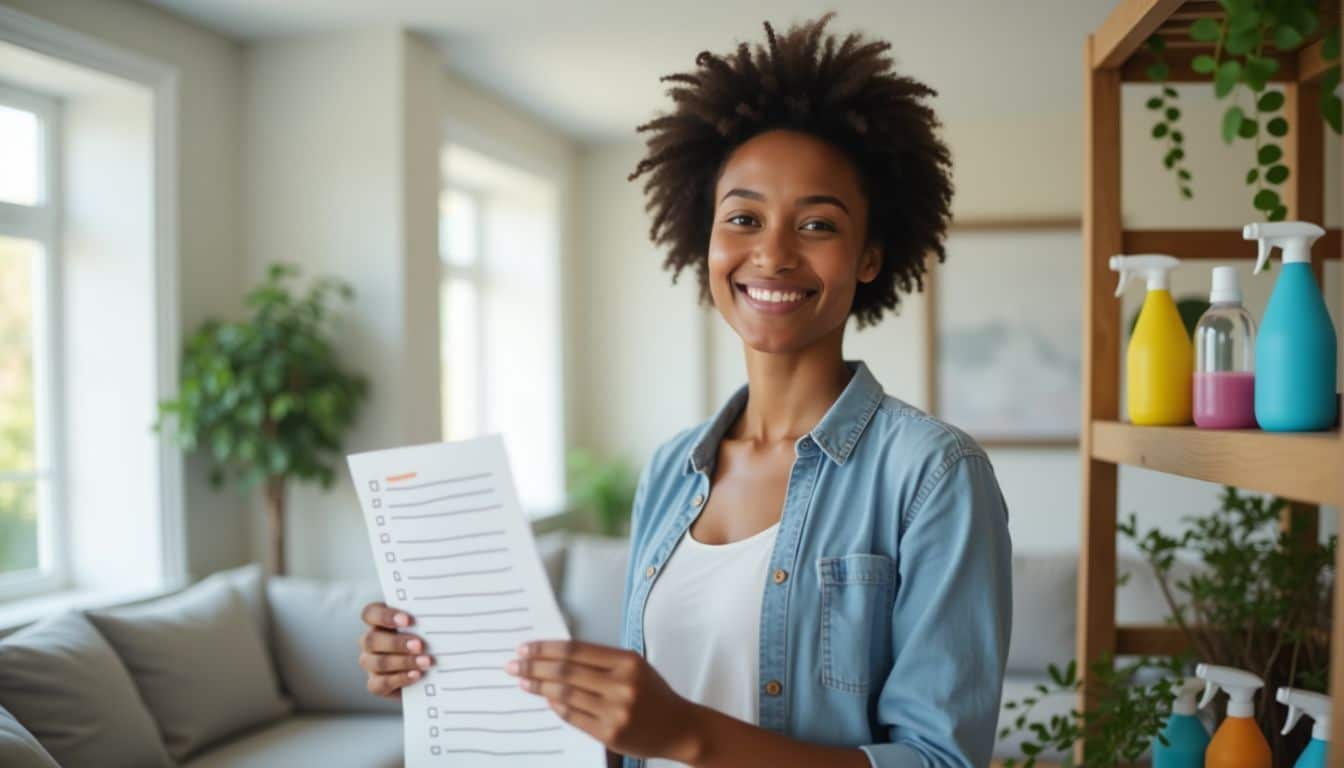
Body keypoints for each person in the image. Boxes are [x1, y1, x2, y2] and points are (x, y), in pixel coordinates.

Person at [360, 13, 1012, 768]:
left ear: (869, 256)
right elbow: (631, 737)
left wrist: (690, 735)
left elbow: (941, 762)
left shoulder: (933, 475)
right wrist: (447, 671)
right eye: (743, 218)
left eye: (818, 225)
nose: (771, 252)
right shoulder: (672, 471)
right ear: (706, 241)